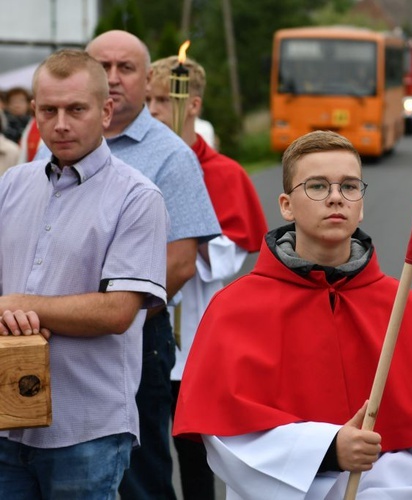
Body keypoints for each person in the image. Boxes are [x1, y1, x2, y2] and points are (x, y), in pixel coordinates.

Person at [174, 130, 412, 499]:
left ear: (360, 202)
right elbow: (227, 438)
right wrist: (327, 452)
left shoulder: (402, 306)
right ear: (286, 205)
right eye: (318, 186)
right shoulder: (234, 309)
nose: (336, 197)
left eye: (350, 186)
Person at [0, 49, 169, 499]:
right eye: (48, 110)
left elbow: (117, 312)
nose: (60, 123)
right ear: (33, 110)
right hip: (6, 418)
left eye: (76, 109)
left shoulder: (137, 197)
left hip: (85, 430)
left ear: (106, 110)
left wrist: (19, 305)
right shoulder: (12, 185)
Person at [64, 29, 219, 499]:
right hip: (56, 336)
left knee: (136, 476)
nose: (113, 79)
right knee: (66, 470)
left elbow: (179, 265)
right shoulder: (58, 146)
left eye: (126, 69)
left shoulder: (170, 155)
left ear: (147, 78)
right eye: (103, 67)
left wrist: (109, 318)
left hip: (132, 339)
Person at [147, 54, 268, 499]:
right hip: (138, 331)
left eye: (163, 99)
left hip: (196, 335)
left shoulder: (224, 173)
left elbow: (228, 254)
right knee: (143, 451)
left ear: (192, 103)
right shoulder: (131, 162)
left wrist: (181, 225)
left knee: (196, 454)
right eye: (148, 99)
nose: (154, 109)